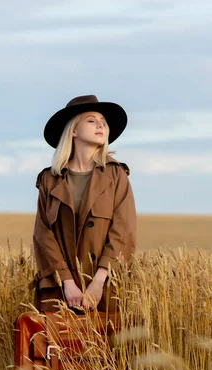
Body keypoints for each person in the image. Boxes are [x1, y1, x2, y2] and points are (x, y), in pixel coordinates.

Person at [32, 95, 137, 313]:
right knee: (55, 346)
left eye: (103, 122)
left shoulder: (116, 175)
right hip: (59, 290)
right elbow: (43, 235)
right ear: (74, 131)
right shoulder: (49, 180)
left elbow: (123, 231)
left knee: (108, 346)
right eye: (91, 120)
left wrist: (98, 282)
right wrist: (67, 282)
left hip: (106, 289)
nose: (101, 124)